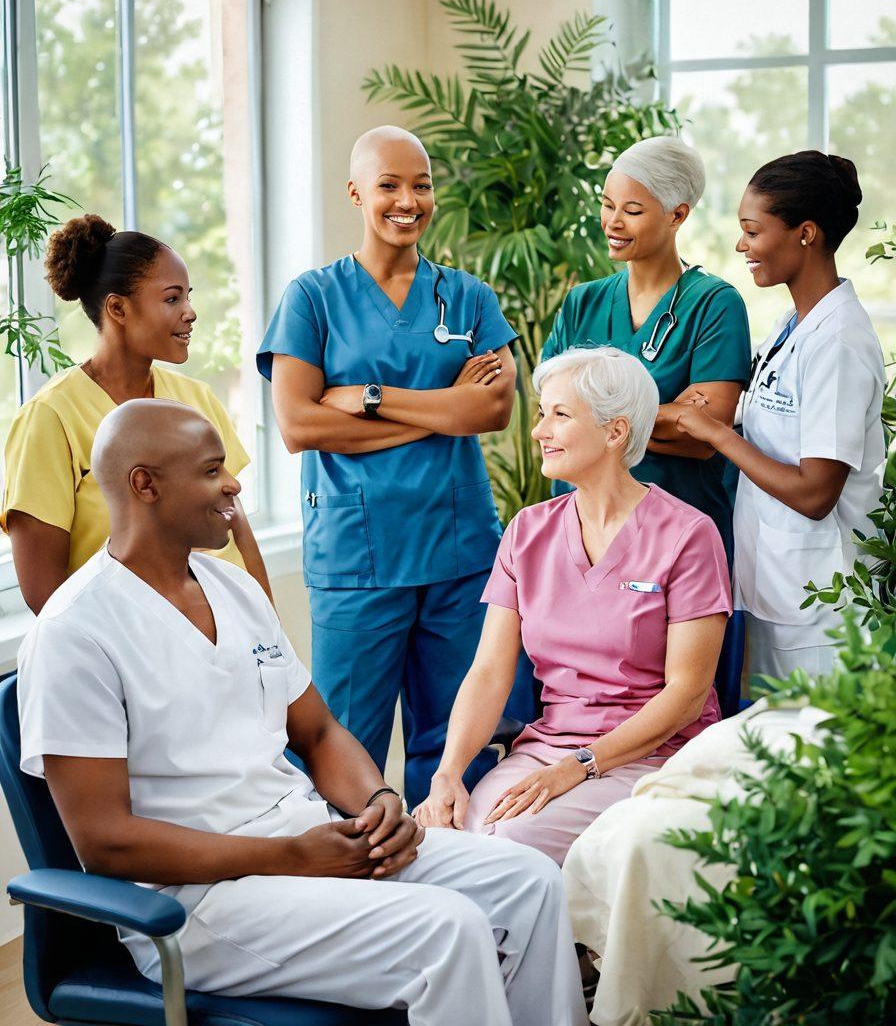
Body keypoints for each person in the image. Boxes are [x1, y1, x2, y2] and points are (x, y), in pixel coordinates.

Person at [17, 399, 587, 1026]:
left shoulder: (231, 588)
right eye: (211, 471)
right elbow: (105, 844)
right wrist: (291, 856)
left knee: (531, 883)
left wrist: (377, 804)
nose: (233, 482)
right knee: (448, 931)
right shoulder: (77, 630)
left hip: (310, 841)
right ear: (144, 484)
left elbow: (316, 732)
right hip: (200, 901)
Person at [257, 125, 534, 807]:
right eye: (389, 185)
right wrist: (444, 408)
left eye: (422, 184)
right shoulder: (313, 298)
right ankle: (353, 897)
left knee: (458, 743)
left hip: (458, 550)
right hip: (360, 559)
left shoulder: (467, 297)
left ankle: (462, 887)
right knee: (346, 741)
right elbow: (299, 425)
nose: (408, 200)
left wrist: (373, 401)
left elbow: (494, 411)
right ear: (356, 193)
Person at [415, 347, 731, 865]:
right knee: (445, 839)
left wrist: (581, 765)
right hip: (548, 747)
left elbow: (687, 694)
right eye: (543, 413)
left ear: (615, 432)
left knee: (513, 846)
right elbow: (491, 670)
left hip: (650, 755)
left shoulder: (688, 535)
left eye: (560, 415)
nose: (539, 430)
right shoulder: (527, 531)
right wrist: (448, 772)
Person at [675, 151, 885, 681]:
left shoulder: (838, 342)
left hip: (824, 608)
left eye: (752, 230)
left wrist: (715, 433)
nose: (741, 245)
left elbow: (816, 493)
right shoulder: (793, 324)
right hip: (779, 585)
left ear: (806, 233)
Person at [1, 214, 270, 611]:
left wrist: (269, 634)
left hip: (229, 630)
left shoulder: (196, 399)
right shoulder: (51, 417)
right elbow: (46, 596)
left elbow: (238, 529)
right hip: (130, 648)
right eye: (172, 298)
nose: (190, 312)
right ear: (117, 309)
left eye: (188, 296)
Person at [542, 135, 751, 562]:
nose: (613, 222)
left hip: (677, 533)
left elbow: (706, 435)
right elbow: (552, 417)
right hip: (581, 529)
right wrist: (667, 414)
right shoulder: (583, 302)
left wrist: (590, 419)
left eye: (632, 210)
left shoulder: (714, 304)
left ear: (677, 215)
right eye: (607, 204)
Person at [562, 698, 827, 1026]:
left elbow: (685, 695)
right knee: (636, 835)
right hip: (552, 741)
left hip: (653, 743)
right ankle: (605, 984)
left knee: (643, 839)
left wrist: (581, 763)